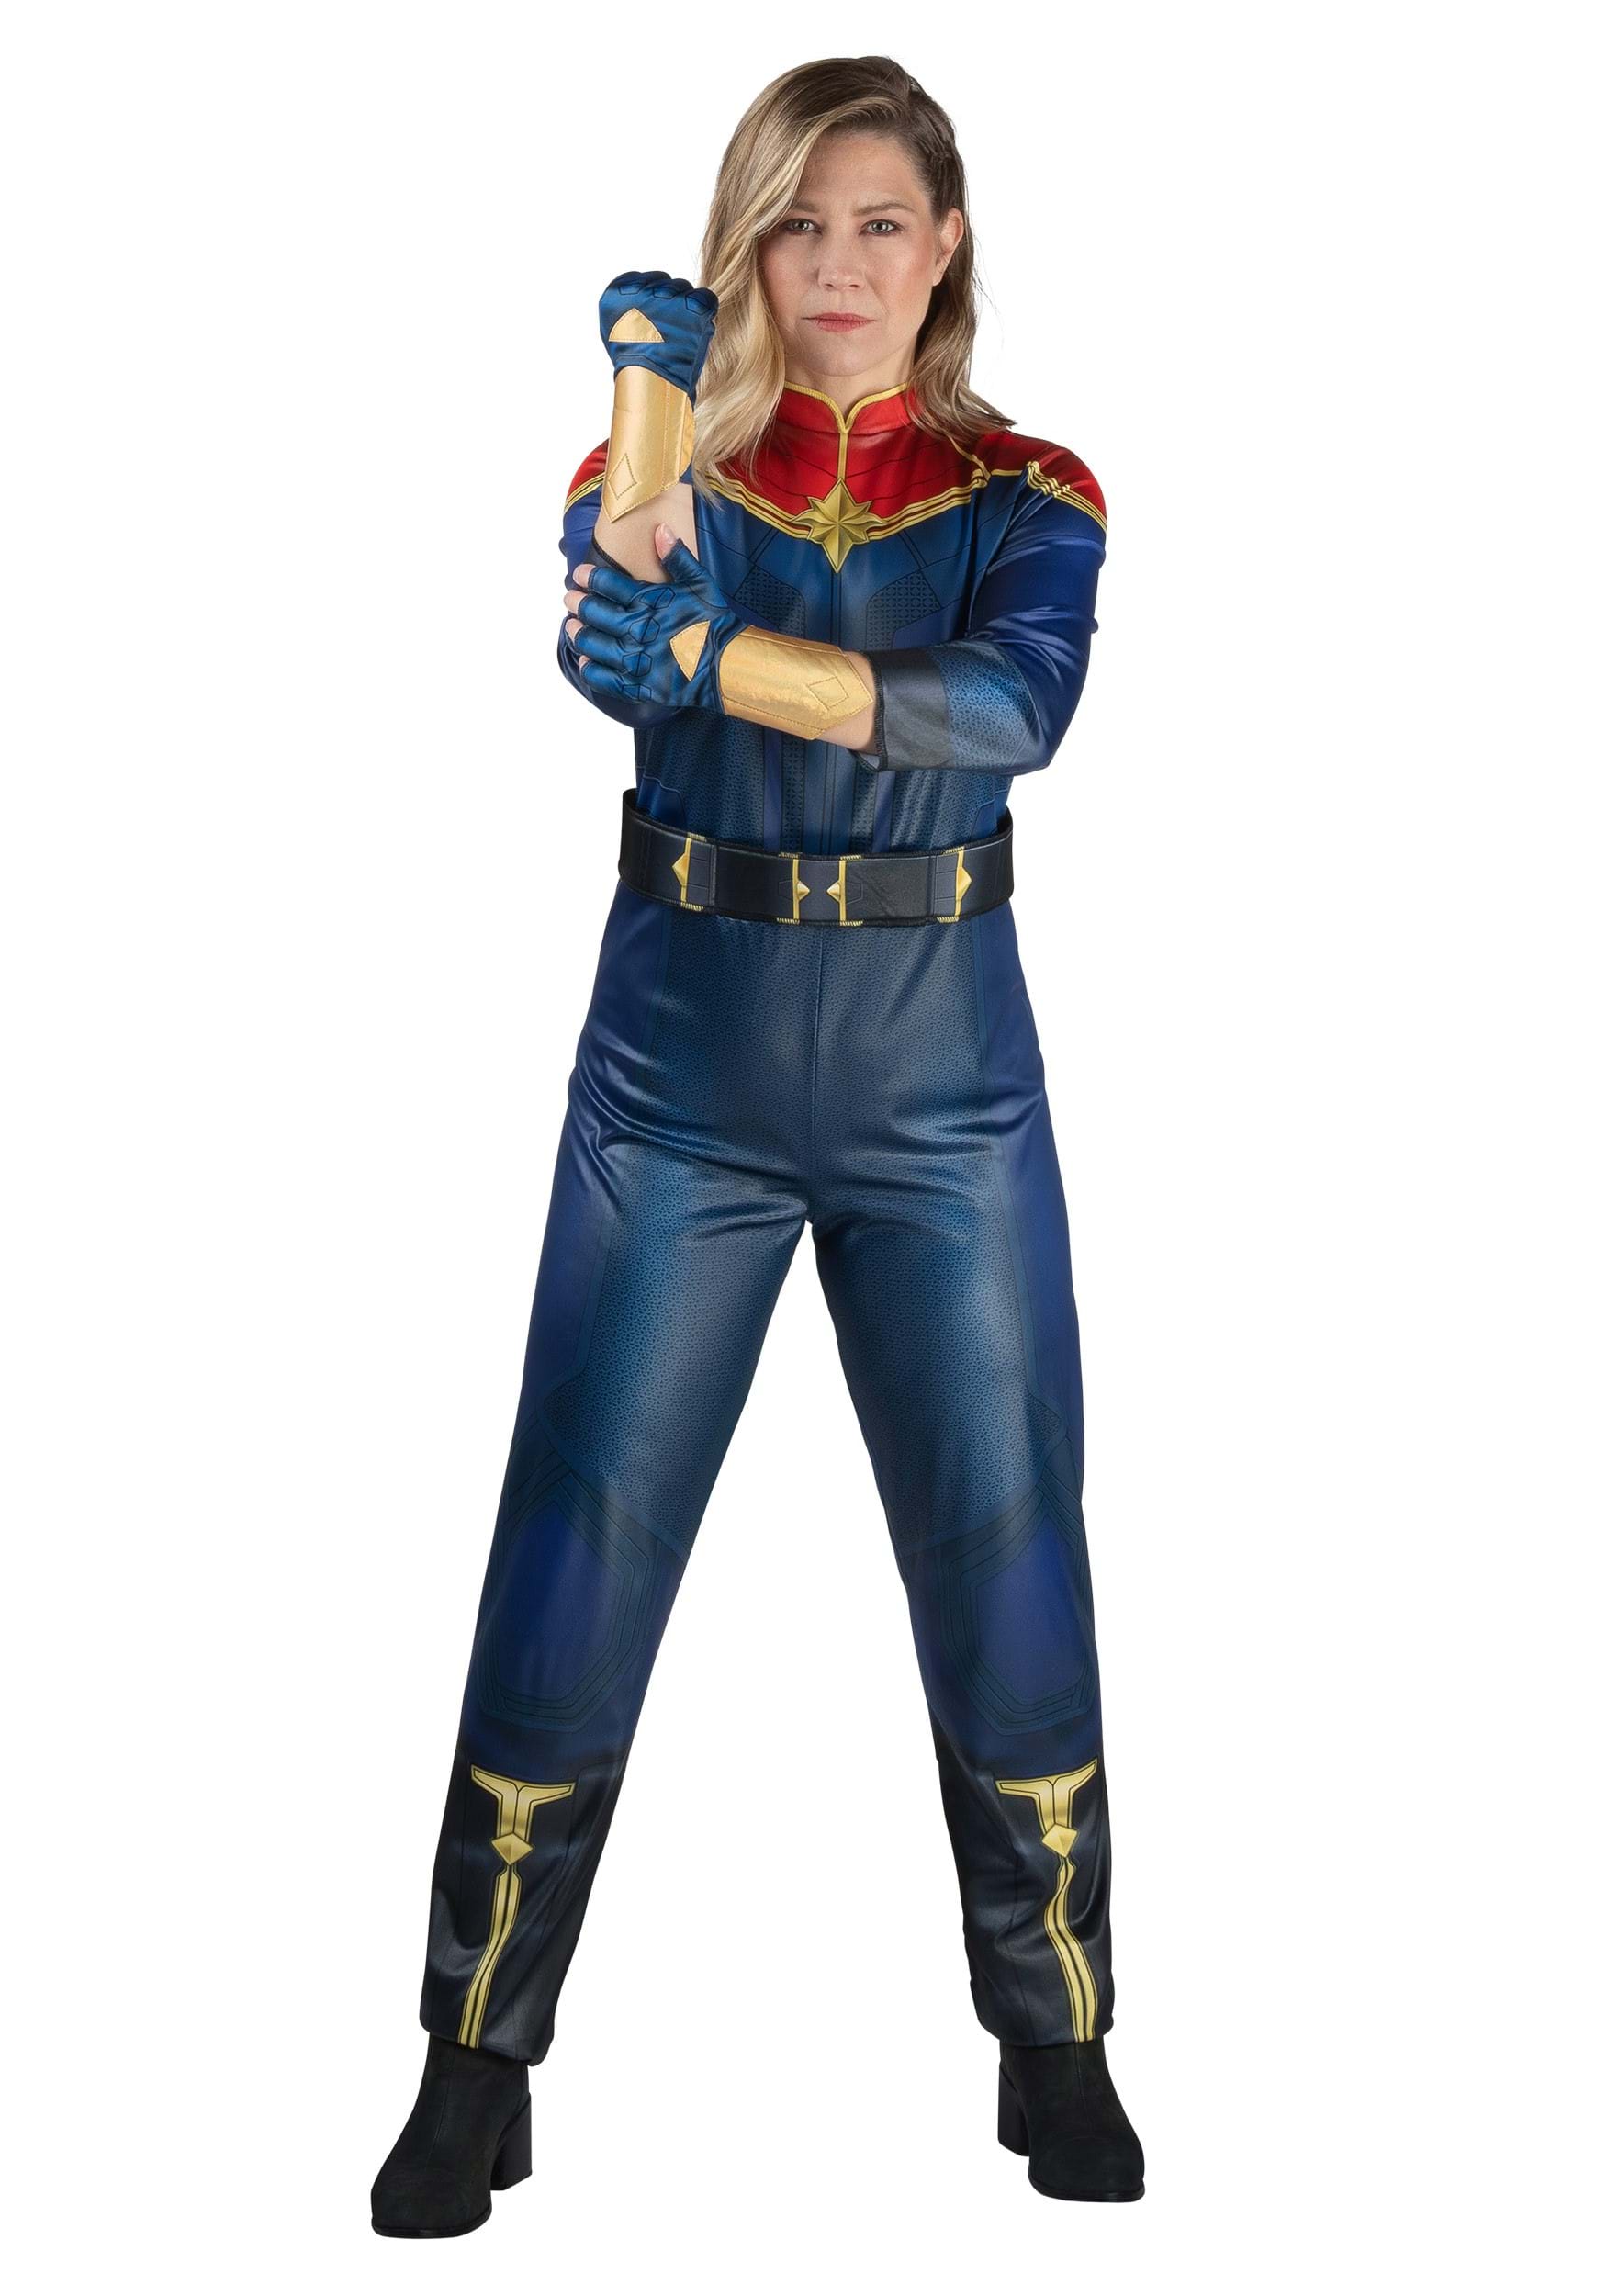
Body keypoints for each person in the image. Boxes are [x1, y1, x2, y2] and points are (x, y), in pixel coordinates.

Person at [371, 54, 1144, 2234]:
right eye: (795, 224)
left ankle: (1057, 2033)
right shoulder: (659, 477)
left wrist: (727, 651)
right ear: (743, 247)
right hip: (678, 1076)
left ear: (946, 243)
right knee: (575, 1529)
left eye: (877, 221)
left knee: (1006, 1535)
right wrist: (645, 485)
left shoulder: (1029, 490)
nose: (838, 265)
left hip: (939, 1084)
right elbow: (616, 664)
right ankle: (472, 2053)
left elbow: (1010, 713)